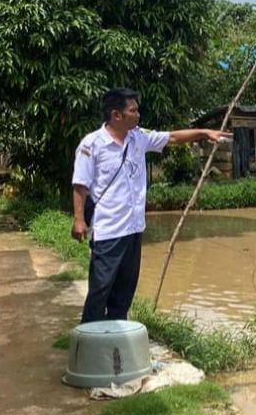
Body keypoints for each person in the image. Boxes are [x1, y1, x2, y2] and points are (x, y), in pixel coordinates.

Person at [71, 88, 225, 323]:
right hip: (108, 231)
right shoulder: (92, 145)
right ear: (117, 115)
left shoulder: (138, 138)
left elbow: (172, 137)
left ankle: (116, 336)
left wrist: (204, 132)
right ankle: (89, 342)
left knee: (124, 292)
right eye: (133, 110)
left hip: (134, 230)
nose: (138, 114)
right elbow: (80, 185)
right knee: (100, 291)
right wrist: (79, 220)